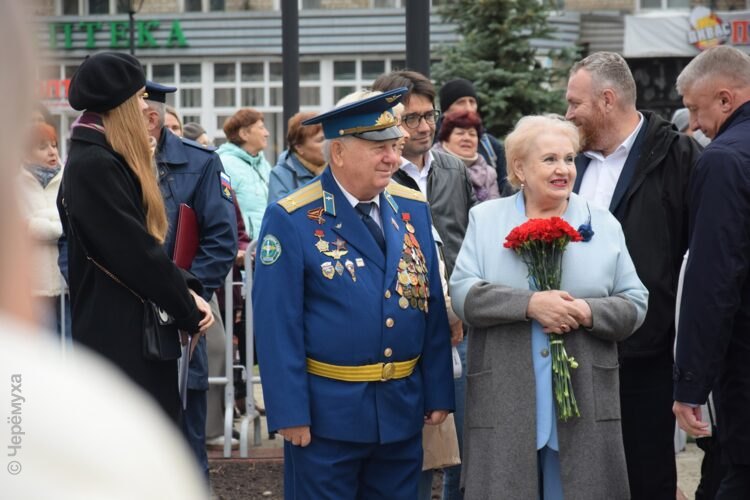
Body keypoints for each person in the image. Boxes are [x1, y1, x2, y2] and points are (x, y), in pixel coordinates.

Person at [253, 88, 454, 499]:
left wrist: (438, 389)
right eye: (379, 148)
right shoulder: (292, 217)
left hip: (401, 410)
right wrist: (290, 412)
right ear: (339, 152)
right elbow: (277, 324)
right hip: (327, 417)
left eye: (395, 146)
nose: (392, 158)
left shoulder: (411, 208)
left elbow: (429, 302)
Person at [450, 114, 648, 499]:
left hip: (584, 403)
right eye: (550, 159)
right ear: (519, 169)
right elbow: (463, 293)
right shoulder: (486, 219)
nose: (563, 169)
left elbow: (635, 302)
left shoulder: (602, 223)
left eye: (569, 159)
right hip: (505, 402)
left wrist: (588, 312)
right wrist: (529, 304)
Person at [565, 51, 701, 499]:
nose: (568, 114)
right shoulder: (567, 160)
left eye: (575, 103)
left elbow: (696, 259)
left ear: (607, 100)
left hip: (646, 356)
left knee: (645, 478)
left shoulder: (679, 157)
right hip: (571, 352)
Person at [57, 52, 214, 422]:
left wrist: (186, 289)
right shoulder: (95, 164)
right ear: (121, 105)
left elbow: (138, 247)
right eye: (140, 97)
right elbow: (136, 253)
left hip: (126, 331)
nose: (146, 106)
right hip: (120, 338)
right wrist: (187, 307)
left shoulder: (98, 158)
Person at [373, 69, 474, 500]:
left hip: (456, 323)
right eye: (410, 118)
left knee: (462, 443)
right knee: (414, 447)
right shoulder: (378, 174)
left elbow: (466, 239)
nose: (423, 127)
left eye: (428, 116)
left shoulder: (453, 169)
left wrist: (461, 305)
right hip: (404, 327)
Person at [143, 81, 237, 476]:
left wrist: (185, 295)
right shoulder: (103, 160)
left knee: (184, 447)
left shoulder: (200, 162)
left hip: (181, 323)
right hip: (121, 322)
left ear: (151, 117)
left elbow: (221, 239)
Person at [673, 45, 750, 498]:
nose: (694, 125)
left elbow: (713, 282)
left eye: (695, 110)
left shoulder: (722, 160)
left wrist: (691, 383)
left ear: (725, 99)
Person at [19, 123, 67, 334]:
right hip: (35, 285)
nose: (52, 151)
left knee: (72, 344)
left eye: (54, 145)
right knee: (46, 342)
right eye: (42, 146)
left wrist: (40, 219)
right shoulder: (17, 184)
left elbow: (72, 222)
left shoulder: (68, 179)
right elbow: (27, 228)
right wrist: (57, 221)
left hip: (68, 281)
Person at [437, 78, 510, 195]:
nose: (468, 108)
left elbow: (505, 186)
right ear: (446, 109)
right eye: (461, 102)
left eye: (472, 102)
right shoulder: (429, 142)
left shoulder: (490, 144)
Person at [217, 108, 271, 240]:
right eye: (261, 128)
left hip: (268, 244)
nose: (267, 133)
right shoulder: (224, 164)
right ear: (244, 134)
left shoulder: (263, 163)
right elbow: (223, 210)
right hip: (244, 247)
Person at [432, 110, 499, 202]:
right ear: (446, 139)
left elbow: (494, 206)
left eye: (472, 134)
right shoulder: (431, 166)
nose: (467, 138)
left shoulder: (489, 173)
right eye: (460, 133)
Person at [267, 111, 325, 204]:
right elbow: (279, 211)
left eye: (328, 138)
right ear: (299, 147)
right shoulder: (280, 175)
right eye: (320, 140)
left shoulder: (337, 167)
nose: (327, 144)